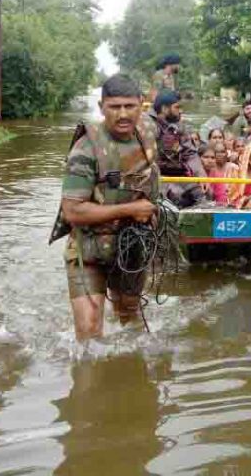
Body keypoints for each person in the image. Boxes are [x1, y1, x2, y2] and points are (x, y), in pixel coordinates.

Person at [60, 74, 159, 339]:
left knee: (129, 317)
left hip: (130, 247)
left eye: (130, 106)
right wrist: (129, 210)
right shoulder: (86, 149)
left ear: (141, 105)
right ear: (102, 106)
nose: (123, 114)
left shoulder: (148, 131)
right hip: (89, 251)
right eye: (115, 107)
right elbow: (72, 211)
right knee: (89, 333)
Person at [147, 89, 207, 208]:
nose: (180, 111)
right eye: (177, 107)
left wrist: (201, 173)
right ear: (164, 109)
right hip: (153, 178)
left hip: (176, 175)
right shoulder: (147, 126)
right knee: (177, 195)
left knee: (201, 192)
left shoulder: (178, 126)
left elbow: (190, 153)